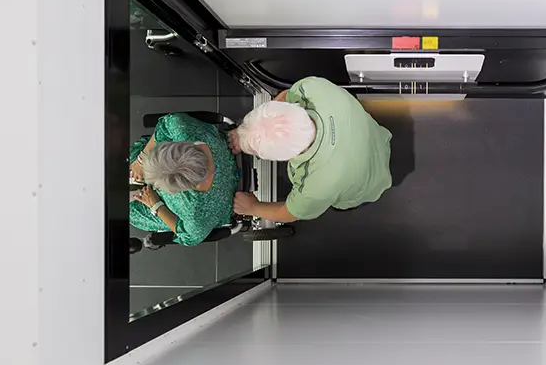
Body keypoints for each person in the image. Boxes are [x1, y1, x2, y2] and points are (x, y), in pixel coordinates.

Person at [229, 77, 392, 222]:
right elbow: (286, 96)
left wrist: (253, 207)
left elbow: (290, 213)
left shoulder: (315, 188)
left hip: (371, 185)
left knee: (344, 201)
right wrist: (245, 134)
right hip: (376, 137)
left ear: (288, 158)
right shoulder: (311, 88)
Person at [128, 113, 238, 246]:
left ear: (178, 191)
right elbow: (166, 124)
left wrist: (157, 206)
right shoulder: (181, 127)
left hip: (227, 201)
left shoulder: (194, 213)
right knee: (135, 157)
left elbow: (188, 237)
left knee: (132, 215)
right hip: (224, 152)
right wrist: (141, 160)